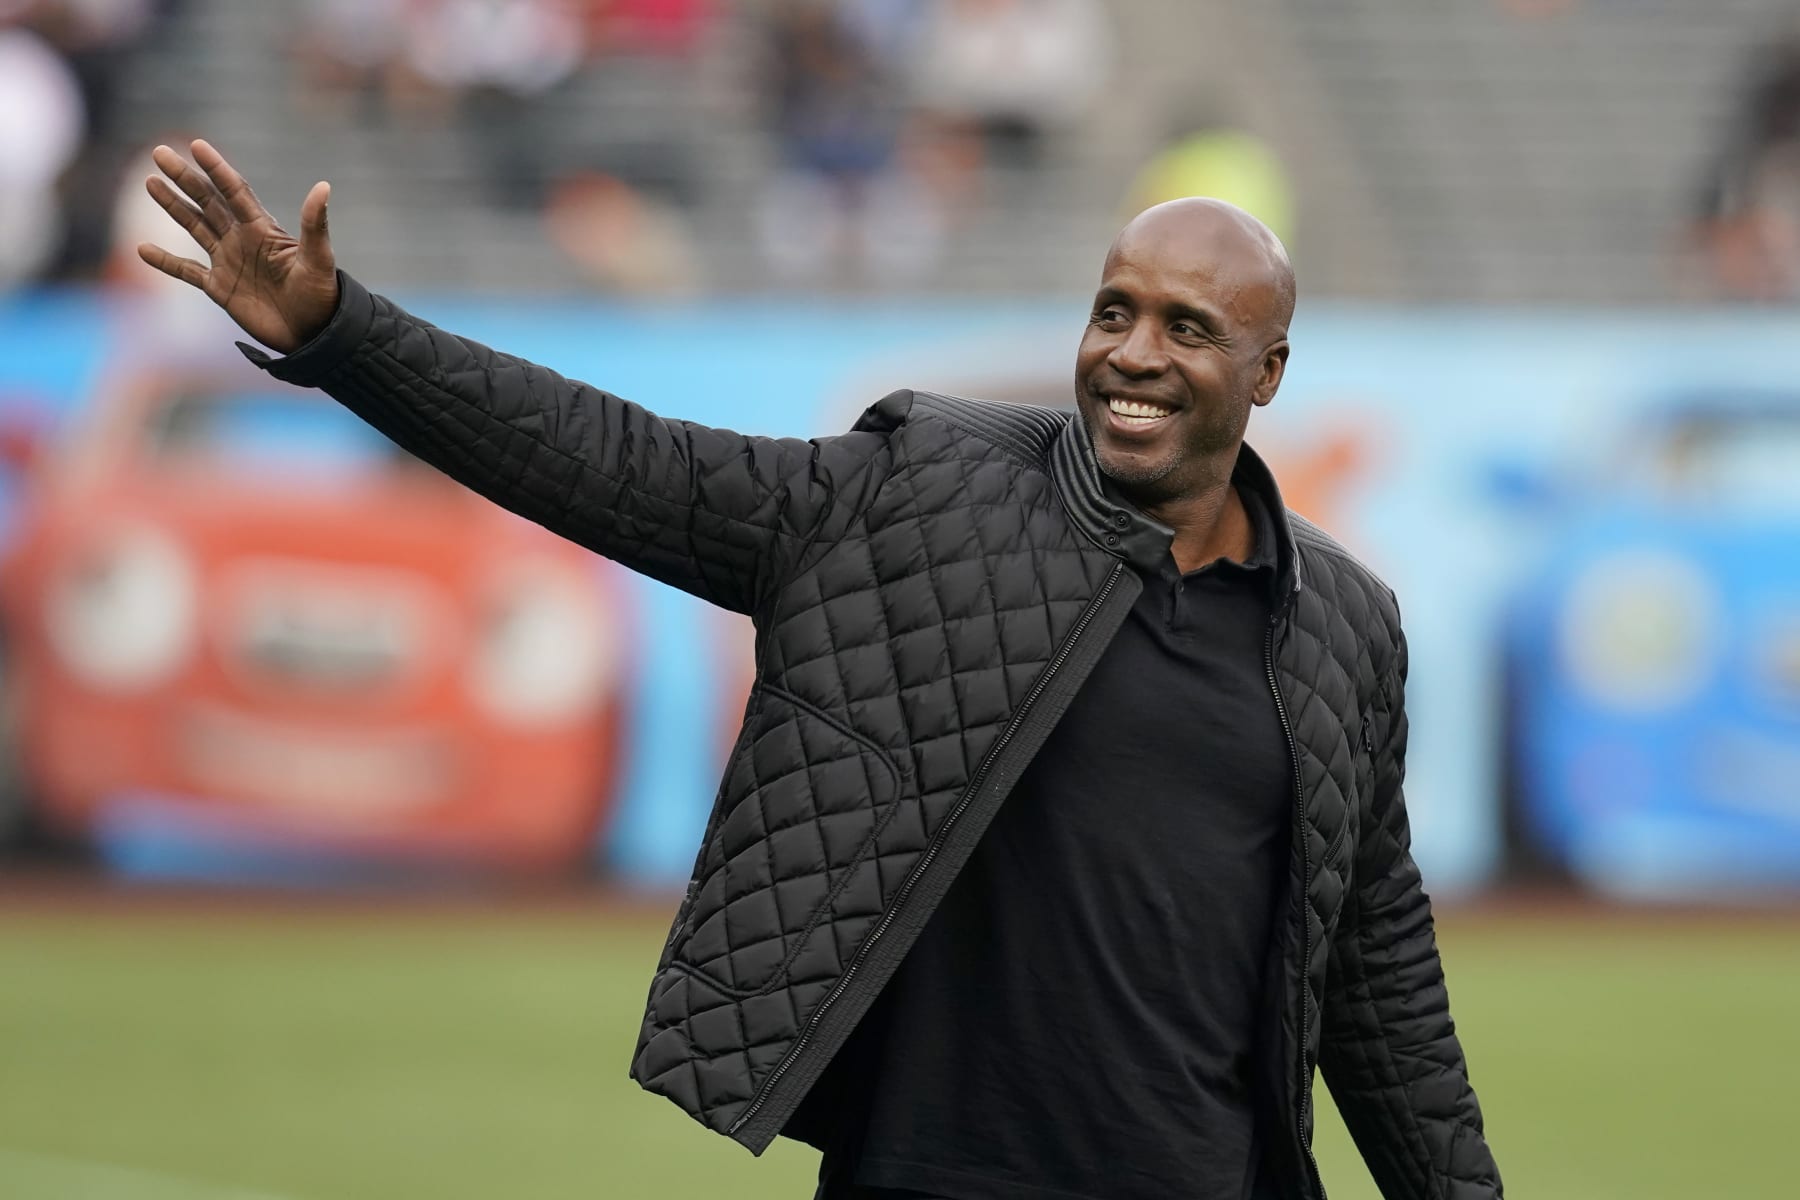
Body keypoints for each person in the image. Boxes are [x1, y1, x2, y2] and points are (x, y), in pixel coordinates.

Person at [137, 139, 1503, 1200]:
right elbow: (619, 465)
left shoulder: (1343, 626)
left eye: (1187, 328)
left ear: (1268, 372)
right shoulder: (921, 494)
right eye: (1113, 311)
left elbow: (1379, 979)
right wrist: (345, 337)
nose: (1133, 355)